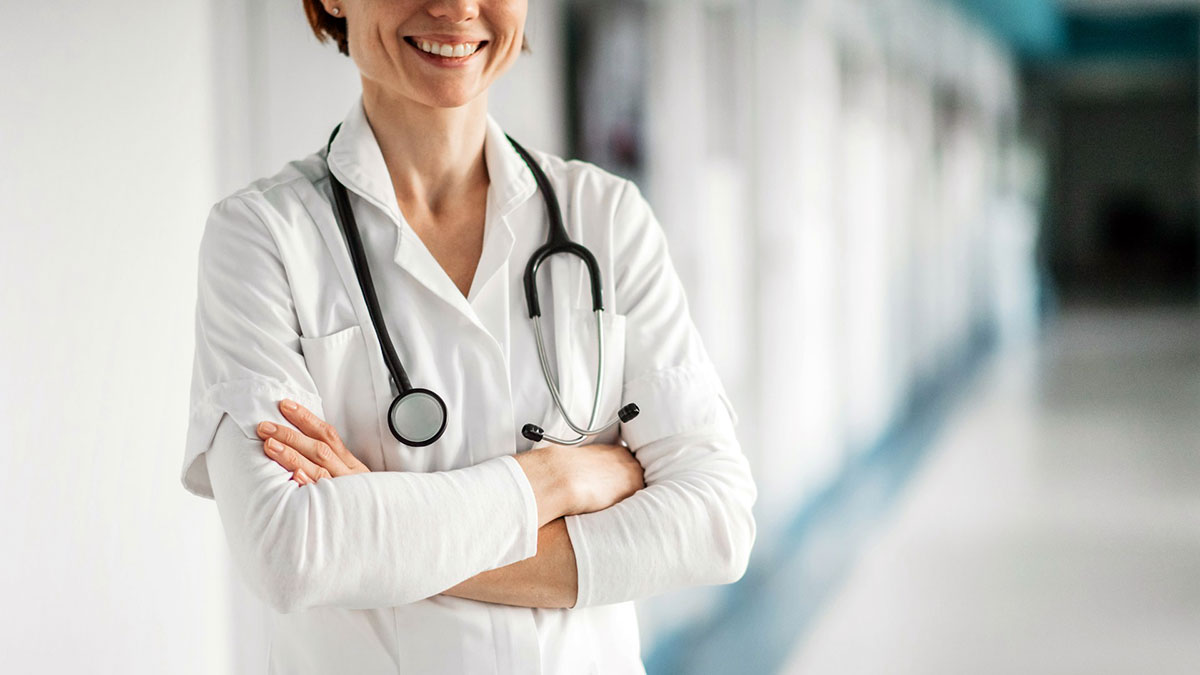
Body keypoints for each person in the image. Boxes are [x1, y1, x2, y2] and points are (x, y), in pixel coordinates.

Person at [180, 0, 757, 672]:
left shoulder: (606, 219)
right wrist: (559, 477)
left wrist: (380, 540)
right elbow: (290, 550)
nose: (456, 7)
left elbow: (714, 523)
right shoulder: (261, 238)